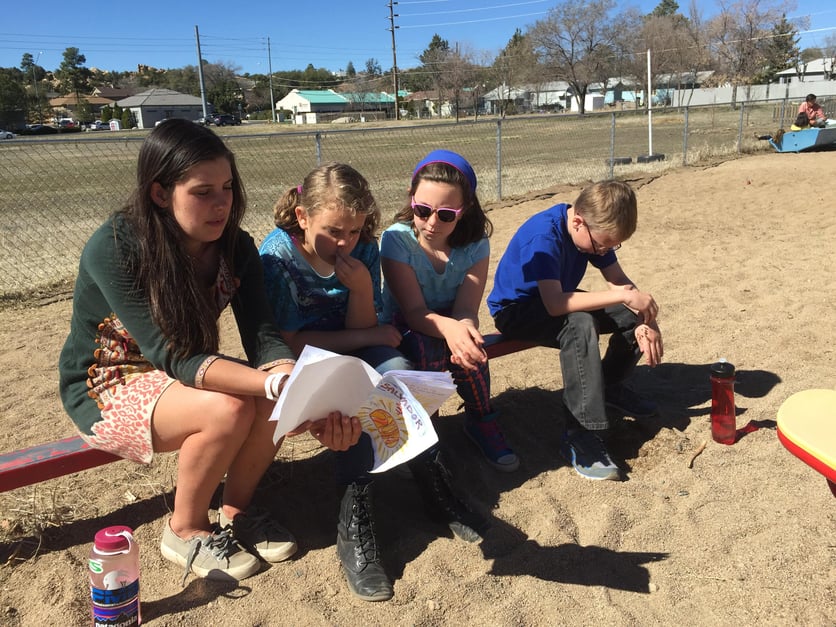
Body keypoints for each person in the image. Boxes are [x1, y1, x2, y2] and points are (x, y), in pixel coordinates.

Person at [58, 119, 361, 585]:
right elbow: (173, 355)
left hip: (181, 373)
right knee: (232, 404)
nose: (222, 203)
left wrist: (292, 383)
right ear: (160, 193)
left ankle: (237, 510)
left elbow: (264, 337)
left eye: (227, 187)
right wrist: (276, 382)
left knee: (268, 393)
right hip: (108, 383)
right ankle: (185, 528)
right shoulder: (116, 246)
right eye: (202, 191)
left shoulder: (234, 246)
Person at [260, 162, 486, 602]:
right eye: (333, 231)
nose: (344, 242)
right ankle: (353, 522)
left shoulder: (363, 248)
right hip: (303, 359)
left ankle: (432, 482)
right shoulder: (278, 255)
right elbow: (291, 339)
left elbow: (367, 319)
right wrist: (368, 336)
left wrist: (363, 289)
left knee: (400, 379)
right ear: (303, 217)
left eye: (355, 231)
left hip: (355, 341)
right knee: (359, 398)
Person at [487, 180, 663, 482]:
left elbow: (619, 281)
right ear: (578, 221)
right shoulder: (544, 237)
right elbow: (556, 305)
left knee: (627, 316)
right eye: (603, 245)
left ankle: (608, 386)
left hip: (557, 297)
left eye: (612, 246)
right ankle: (580, 433)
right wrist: (624, 296)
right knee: (580, 323)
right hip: (515, 311)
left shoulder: (592, 230)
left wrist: (647, 320)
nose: (605, 250)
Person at [380, 150, 519, 473]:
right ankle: (427, 430)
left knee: (472, 348)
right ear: (411, 199)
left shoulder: (476, 245)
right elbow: (414, 311)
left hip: (450, 322)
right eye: (422, 209)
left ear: (464, 209)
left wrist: (465, 332)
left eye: (445, 214)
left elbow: (467, 308)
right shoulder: (397, 240)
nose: (431, 223)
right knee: (428, 348)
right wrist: (454, 331)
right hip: (406, 325)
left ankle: (481, 418)